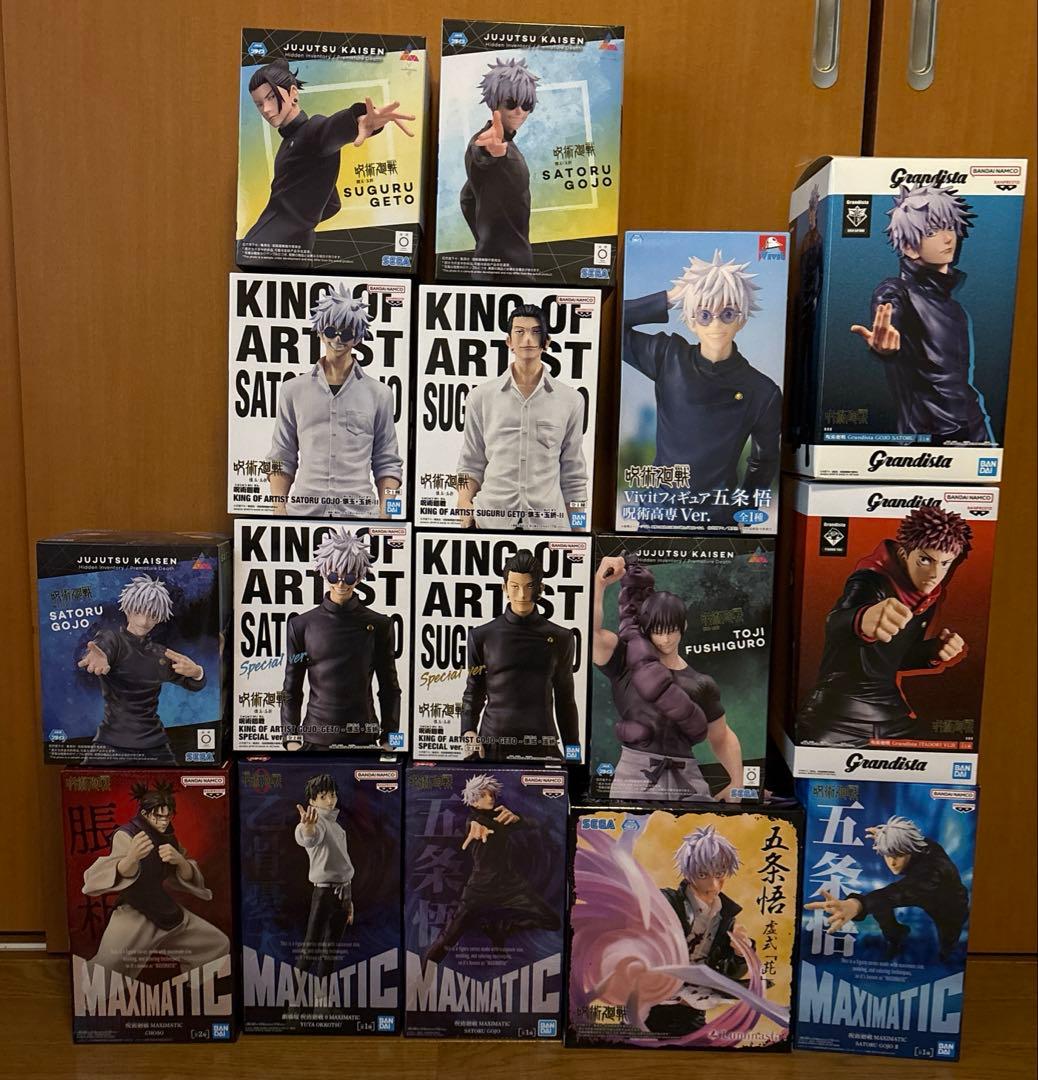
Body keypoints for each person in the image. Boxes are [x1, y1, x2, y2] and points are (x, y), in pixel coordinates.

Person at [623, 250, 781, 521]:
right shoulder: (667, 356)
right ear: (691, 321)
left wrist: (740, 512)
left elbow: (764, 462)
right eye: (705, 315)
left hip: (717, 520)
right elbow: (607, 320)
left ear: (742, 319)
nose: (716, 324)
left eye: (728, 313)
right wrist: (670, 298)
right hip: (658, 515)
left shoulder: (763, 391)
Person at [797, 505, 971, 746]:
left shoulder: (927, 597)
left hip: (891, 714)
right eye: (925, 560)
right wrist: (861, 619)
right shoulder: (870, 581)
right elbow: (835, 623)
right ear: (903, 554)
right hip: (838, 712)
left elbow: (893, 659)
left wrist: (932, 651)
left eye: (945, 564)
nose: (934, 574)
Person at [850, 182, 992, 444]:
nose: (947, 238)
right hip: (928, 437)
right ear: (909, 247)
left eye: (949, 227)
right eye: (932, 231)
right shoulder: (895, 291)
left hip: (975, 430)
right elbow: (889, 317)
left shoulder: (955, 307)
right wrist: (884, 348)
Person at [592, 555, 743, 800]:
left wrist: (738, 783)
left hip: (688, 779)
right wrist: (599, 583)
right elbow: (590, 634)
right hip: (634, 776)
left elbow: (722, 736)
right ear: (647, 628)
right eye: (658, 630)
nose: (665, 638)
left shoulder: (701, 683)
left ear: (683, 627)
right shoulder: (624, 660)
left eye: (671, 630)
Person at [243, 58, 415, 252]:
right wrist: (303, 221)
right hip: (287, 246)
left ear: (293, 93)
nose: (266, 109)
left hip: (267, 247)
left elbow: (329, 129)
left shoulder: (311, 130)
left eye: (271, 97)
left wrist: (358, 120)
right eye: (259, 104)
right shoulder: (290, 141)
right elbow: (332, 204)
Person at [267, 284, 403, 518]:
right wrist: (278, 509)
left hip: (361, 515)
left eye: (347, 333)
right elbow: (282, 454)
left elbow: (387, 461)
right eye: (331, 331)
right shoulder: (292, 390)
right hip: (303, 514)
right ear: (320, 332)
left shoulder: (380, 394)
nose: (338, 339)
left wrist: (387, 514)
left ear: (357, 338)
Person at [456, 304, 588, 531]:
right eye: (519, 332)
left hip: (548, 526)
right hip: (490, 523)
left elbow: (574, 475)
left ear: (547, 341)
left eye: (536, 332)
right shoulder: (480, 397)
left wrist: (579, 531)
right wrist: (463, 503)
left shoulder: (571, 400)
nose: (527, 339)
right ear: (509, 341)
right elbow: (468, 465)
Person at [82, 781, 229, 978]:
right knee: (106, 969)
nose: (164, 822)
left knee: (216, 944)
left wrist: (180, 861)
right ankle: (87, 995)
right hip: (134, 912)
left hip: (165, 910)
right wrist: (131, 858)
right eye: (159, 816)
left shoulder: (169, 838)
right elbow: (109, 873)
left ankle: (193, 991)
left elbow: (187, 876)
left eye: (168, 816)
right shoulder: (127, 835)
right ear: (145, 814)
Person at [281, 528, 400, 751]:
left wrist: (391, 741)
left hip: (365, 738)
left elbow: (390, 688)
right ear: (323, 573)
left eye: (350, 576)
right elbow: (291, 688)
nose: (341, 584)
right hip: (315, 740)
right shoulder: (301, 625)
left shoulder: (381, 625)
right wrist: (291, 740)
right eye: (334, 576)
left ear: (361, 576)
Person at [424, 774, 560, 963]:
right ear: (473, 800)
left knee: (552, 921)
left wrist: (518, 819)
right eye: (483, 795)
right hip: (480, 889)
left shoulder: (501, 817)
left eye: (492, 795)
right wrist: (475, 826)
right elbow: (473, 824)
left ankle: (503, 929)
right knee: (448, 938)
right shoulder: (474, 821)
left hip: (511, 886)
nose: (490, 798)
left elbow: (535, 824)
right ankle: (421, 976)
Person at [460, 549, 579, 761]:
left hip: (543, 744)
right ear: (504, 588)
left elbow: (566, 700)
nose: (522, 595)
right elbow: (474, 690)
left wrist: (573, 753)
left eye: (529, 586)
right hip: (492, 744)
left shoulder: (562, 637)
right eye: (515, 586)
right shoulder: (481, 636)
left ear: (540, 589)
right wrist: (468, 731)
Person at [77, 574, 206, 765]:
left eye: (152, 615)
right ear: (127, 609)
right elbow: (100, 648)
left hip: (155, 744)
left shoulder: (161, 655)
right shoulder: (112, 640)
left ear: (159, 618)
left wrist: (197, 672)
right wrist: (96, 657)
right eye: (138, 611)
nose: (144, 621)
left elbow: (193, 684)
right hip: (111, 743)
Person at [805, 815, 969, 962]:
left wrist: (858, 905)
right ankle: (895, 934)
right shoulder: (916, 844)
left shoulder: (930, 873)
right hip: (924, 889)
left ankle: (946, 954)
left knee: (947, 947)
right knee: (881, 905)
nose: (892, 862)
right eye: (888, 855)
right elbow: (906, 841)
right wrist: (886, 836)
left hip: (951, 906)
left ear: (910, 851)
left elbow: (896, 894)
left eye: (898, 855)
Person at [643, 826, 754, 1035]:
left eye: (719, 874)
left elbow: (728, 972)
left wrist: (740, 954)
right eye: (703, 874)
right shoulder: (665, 902)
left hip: (694, 1008)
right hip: (650, 1004)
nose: (713, 884)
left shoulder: (725, 916)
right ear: (689, 873)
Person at [459, 58, 540, 268]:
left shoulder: (509, 144)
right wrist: (491, 152)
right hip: (507, 266)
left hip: (501, 262)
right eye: (511, 103)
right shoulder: (485, 141)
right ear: (494, 104)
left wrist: (485, 241)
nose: (519, 111)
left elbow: (467, 198)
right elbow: (482, 153)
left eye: (526, 105)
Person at [294, 773, 354, 978]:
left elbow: (344, 866)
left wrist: (349, 900)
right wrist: (308, 828)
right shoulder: (317, 822)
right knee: (310, 949)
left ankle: (323, 995)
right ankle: (294, 995)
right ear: (312, 801)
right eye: (323, 796)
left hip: (343, 891)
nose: (330, 801)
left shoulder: (336, 826)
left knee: (330, 952)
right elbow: (309, 838)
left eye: (333, 795)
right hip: (324, 893)